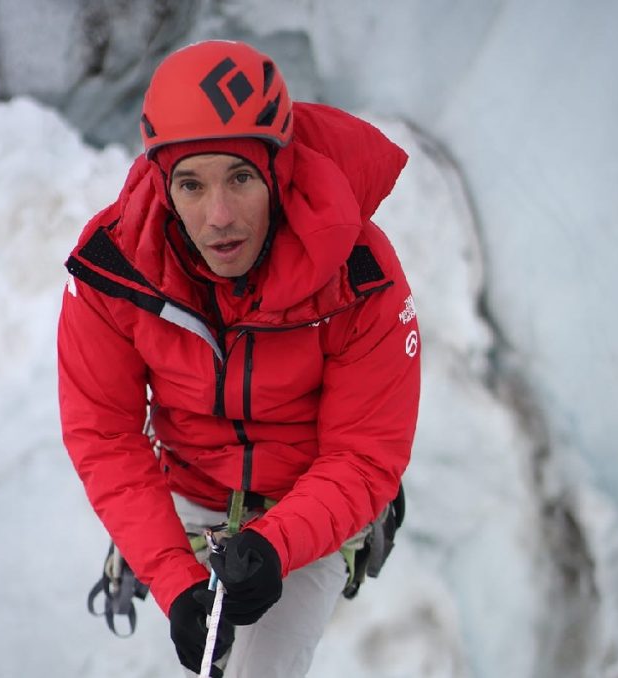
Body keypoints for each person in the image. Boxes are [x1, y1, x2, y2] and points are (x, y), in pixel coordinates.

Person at [57, 39, 420, 677]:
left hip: (308, 503)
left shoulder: (358, 277)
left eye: (241, 178)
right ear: (164, 186)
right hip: (190, 485)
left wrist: (274, 546)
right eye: (191, 185)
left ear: (277, 172)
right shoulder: (115, 268)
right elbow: (105, 434)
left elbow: (364, 453)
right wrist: (173, 578)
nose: (218, 216)